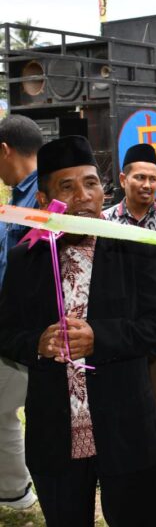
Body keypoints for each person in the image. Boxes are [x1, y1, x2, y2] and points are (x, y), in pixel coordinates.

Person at [0, 135, 156, 526]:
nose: (83, 196)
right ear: (45, 202)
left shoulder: (134, 246)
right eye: (67, 186)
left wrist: (100, 337)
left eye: (91, 183)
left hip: (125, 429)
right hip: (55, 433)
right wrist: (38, 343)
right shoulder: (26, 258)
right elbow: (6, 331)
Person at [102, 143, 156, 480]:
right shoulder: (104, 221)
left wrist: (146, 306)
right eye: (139, 177)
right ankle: (114, 450)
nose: (147, 184)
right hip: (114, 325)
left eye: (153, 178)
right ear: (123, 179)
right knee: (116, 388)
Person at [0, 115, 42, 511]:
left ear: (5, 150)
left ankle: (17, 492)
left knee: (4, 411)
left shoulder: (40, 198)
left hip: (27, 330)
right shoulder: (18, 197)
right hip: (12, 328)